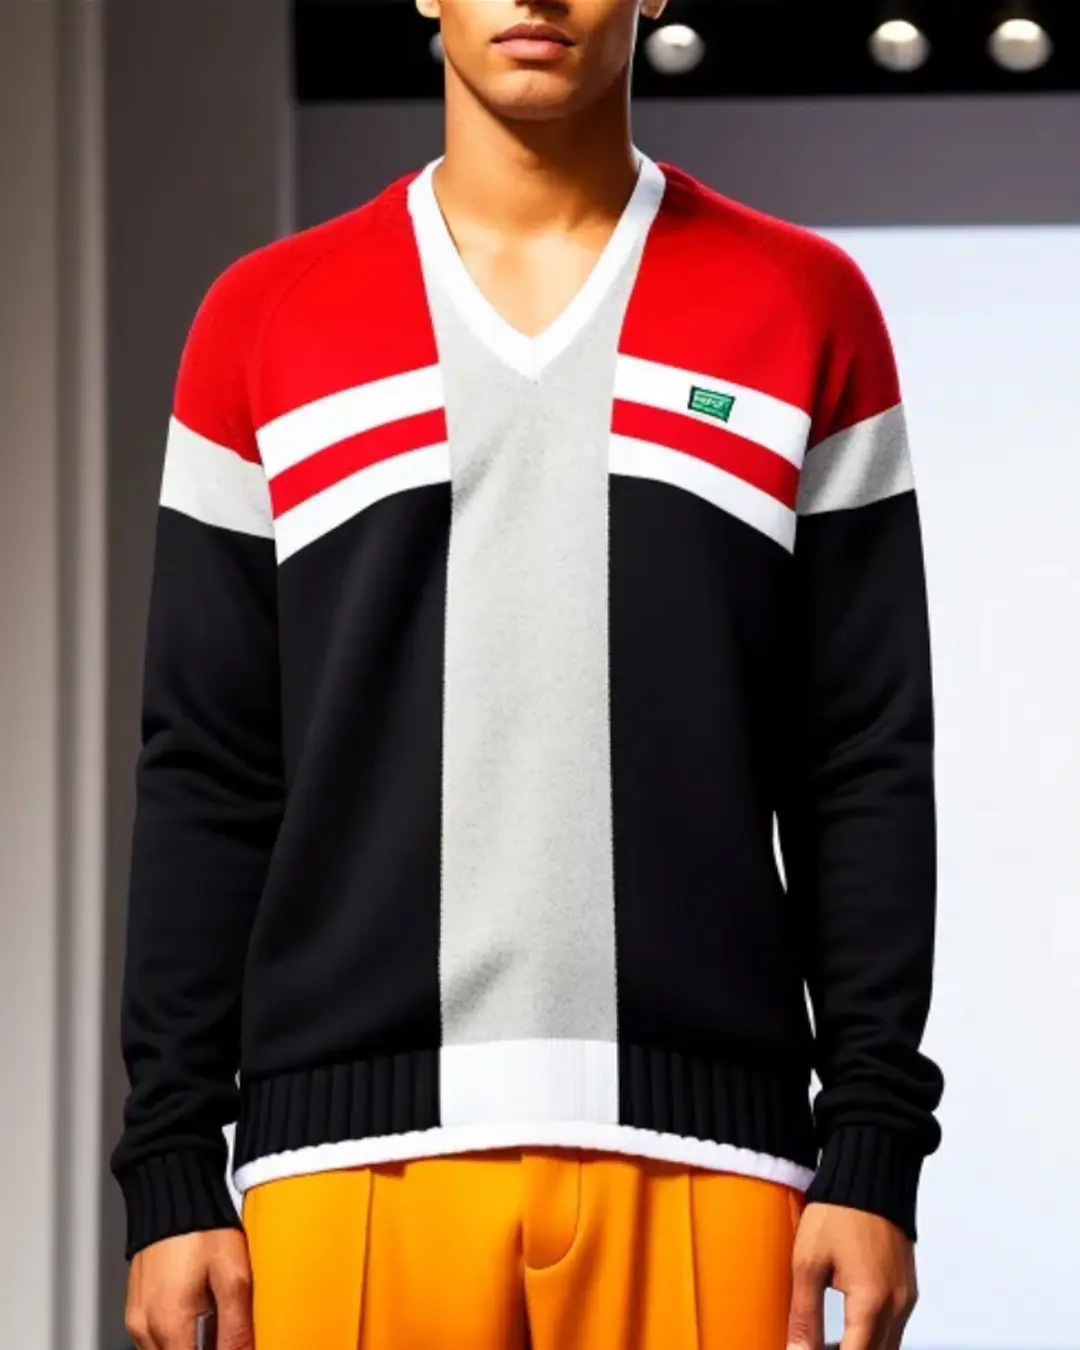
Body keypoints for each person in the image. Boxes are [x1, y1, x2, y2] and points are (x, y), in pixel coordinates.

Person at [112, 1, 945, 1347]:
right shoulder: (261, 321)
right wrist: (168, 1162)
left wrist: (874, 1144)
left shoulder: (806, 305)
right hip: (340, 1173)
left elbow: (862, 755)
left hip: (715, 1166)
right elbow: (208, 765)